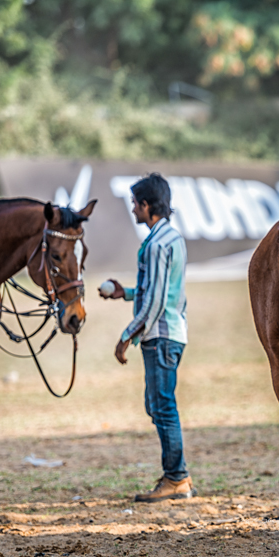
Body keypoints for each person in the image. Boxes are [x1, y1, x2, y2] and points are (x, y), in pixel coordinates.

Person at [100, 173, 195, 503]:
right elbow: (159, 291)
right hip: (173, 332)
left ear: (145, 205)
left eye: (134, 205)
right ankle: (177, 474)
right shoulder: (172, 238)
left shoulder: (155, 244)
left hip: (159, 335)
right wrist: (123, 293)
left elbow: (154, 301)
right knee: (156, 405)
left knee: (163, 407)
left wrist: (127, 335)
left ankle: (176, 478)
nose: (133, 211)